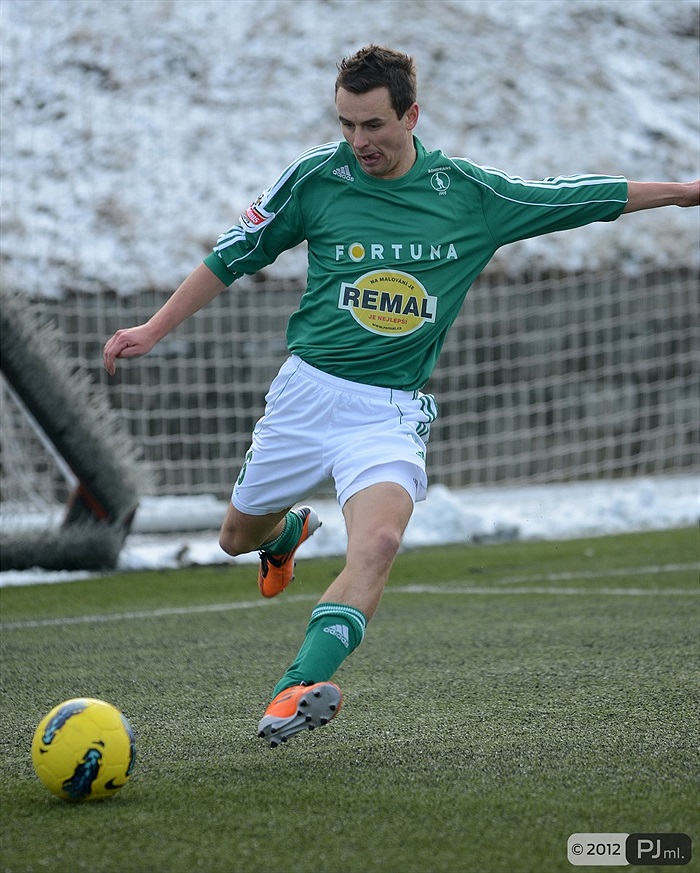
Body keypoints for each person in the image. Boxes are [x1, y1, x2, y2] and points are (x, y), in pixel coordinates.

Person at [103, 45, 699, 748]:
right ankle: (287, 533)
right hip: (305, 396)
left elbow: (577, 197)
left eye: (374, 126)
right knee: (236, 538)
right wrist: (153, 327)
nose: (360, 143)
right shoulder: (316, 178)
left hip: (387, 410)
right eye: (347, 124)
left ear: (411, 115)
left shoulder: (469, 195)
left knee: (380, 541)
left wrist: (686, 192)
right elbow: (233, 255)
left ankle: (292, 687)